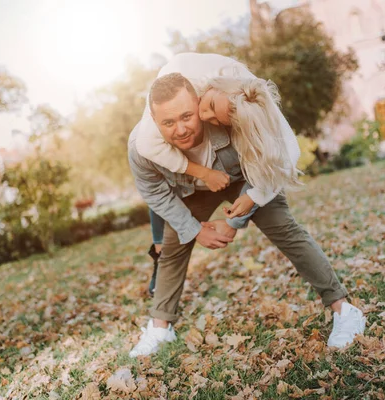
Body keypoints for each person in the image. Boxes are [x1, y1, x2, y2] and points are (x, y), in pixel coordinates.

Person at [127, 55, 366, 358]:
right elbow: (155, 194)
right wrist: (195, 230)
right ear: (153, 118)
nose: (181, 129)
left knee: (284, 228)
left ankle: (344, 309)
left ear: (198, 99)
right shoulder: (142, 147)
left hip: (245, 177)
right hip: (193, 191)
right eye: (168, 123)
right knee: (174, 246)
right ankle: (160, 328)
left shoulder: (230, 111)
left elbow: (274, 164)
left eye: (188, 116)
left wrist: (237, 219)